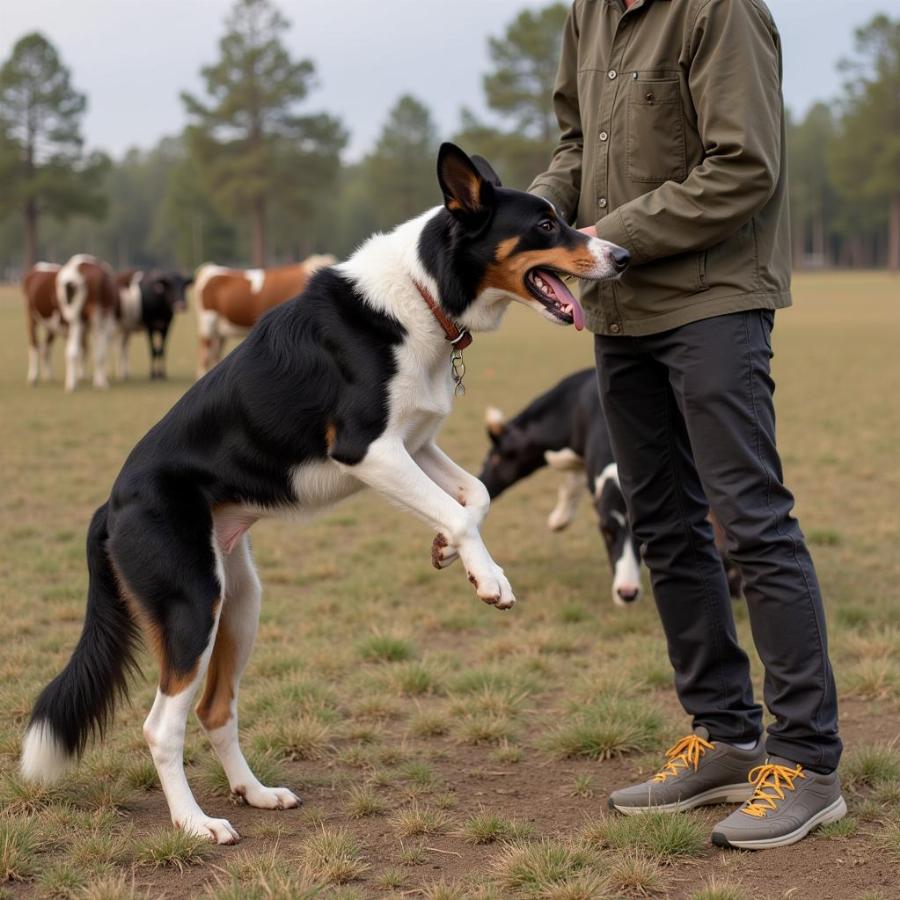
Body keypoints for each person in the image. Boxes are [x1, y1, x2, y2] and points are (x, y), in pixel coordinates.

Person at [529, 0, 845, 849]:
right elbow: (574, 146)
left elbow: (745, 166)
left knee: (749, 523)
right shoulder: (588, 13)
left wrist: (604, 236)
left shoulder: (722, 10)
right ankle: (727, 734)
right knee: (662, 524)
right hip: (620, 306)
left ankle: (809, 763)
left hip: (712, 300)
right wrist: (533, 220)